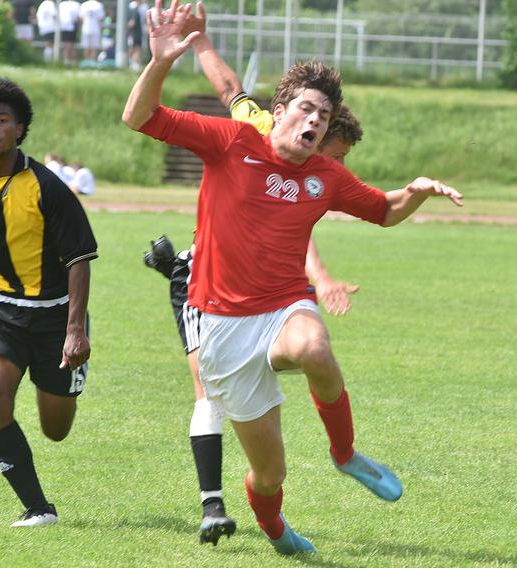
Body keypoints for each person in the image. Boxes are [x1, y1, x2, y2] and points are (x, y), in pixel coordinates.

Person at [123, 0, 462, 555]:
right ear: (277, 111)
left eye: (323, 118)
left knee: (314, 347)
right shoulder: (231, 141)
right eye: (306, 110)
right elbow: (139, 117)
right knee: (269, 473)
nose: (314, 122)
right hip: (221, 326)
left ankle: (346, 454)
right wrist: (161, 61)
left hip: (282, 306)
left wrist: (417, 193)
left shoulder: (327, 175)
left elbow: (384, 210)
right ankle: (275, 527)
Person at [140, 3, 364, 546]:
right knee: (208, 388)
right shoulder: (254, 130)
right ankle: (212, 500)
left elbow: (297, 225)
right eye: (324, 143)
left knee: (300, 352)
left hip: (263, 294)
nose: (321, 156)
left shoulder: (315, 172)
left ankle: (260, 489)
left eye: (326, 132)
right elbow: (228, 90)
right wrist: (196, 43)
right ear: (289, 114)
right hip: (209, 281)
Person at [0, 77, 98, 527]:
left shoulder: (48, 187)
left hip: (56, 318)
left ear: (20, 128)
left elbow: (79, 259)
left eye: (2, 120)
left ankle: (64, 375)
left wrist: (75, 330)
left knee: (56, 430)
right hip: (0, 314)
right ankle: (38, 507)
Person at [58, 0, 80, 65]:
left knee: (66, 45)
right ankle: (72, 62)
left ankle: (67, 61)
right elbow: (78, 17)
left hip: (63, 26)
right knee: (71, 45)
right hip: (72, 27)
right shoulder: (76, 4)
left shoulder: (61, 4)